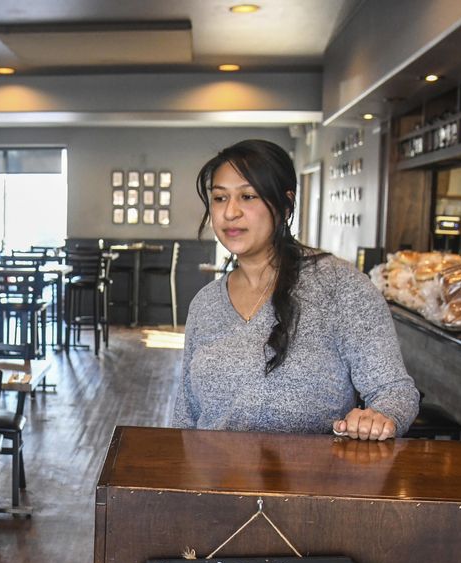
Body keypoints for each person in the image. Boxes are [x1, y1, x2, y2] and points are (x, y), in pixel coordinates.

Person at [171, 139, 418, 440]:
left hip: (309, 483)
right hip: (212, 482)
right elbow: (186, 414)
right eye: (220, 198)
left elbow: (394, 390)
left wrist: (380, 418)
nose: (230, 212)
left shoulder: (339, 285)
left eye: (247, 196)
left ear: (285, 204)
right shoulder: (206, 303)